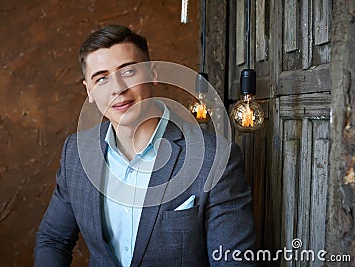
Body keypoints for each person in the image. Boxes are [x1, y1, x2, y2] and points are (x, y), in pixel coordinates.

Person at [34, 25, 256, 266]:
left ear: (152, 73)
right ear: (89, 90)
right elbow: (53, 239)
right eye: (101, 79)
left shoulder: (215, 158)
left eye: (128, 71)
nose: (117, 89)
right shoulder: (76, 153)